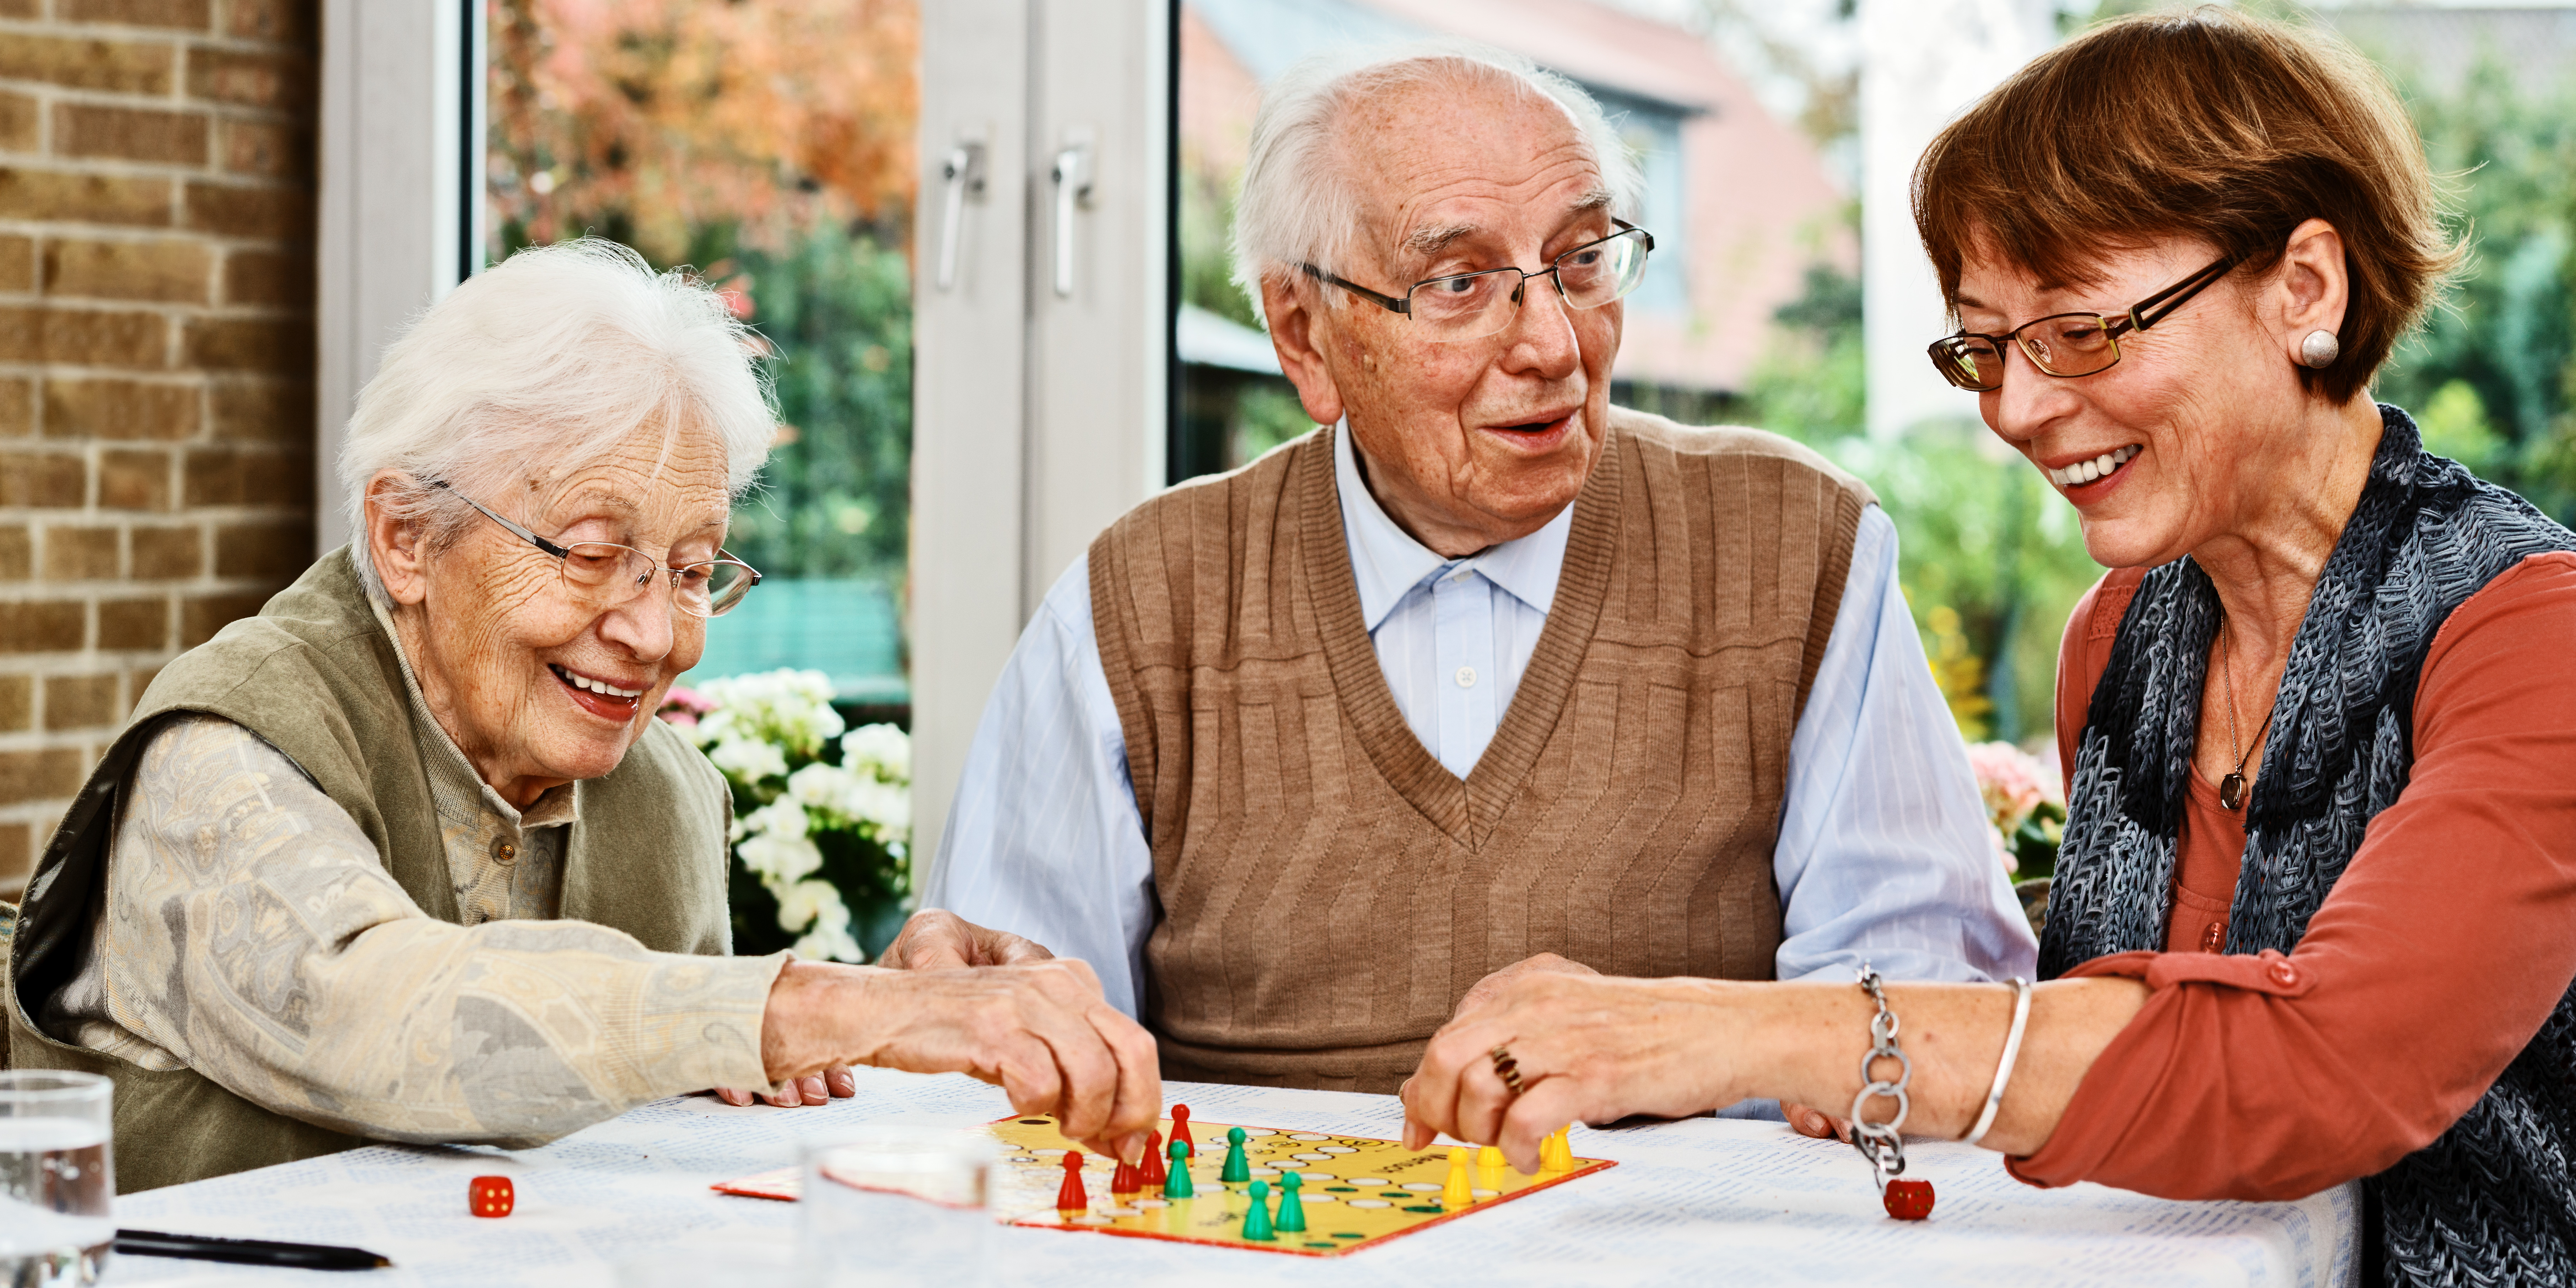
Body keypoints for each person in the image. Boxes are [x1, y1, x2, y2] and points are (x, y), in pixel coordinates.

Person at [1394, 11, 2576, 1282]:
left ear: (2303, 288)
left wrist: (1751, 1032)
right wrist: (1875, 1062)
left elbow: (2324, 1064)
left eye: (2076, 332)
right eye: (1984, 348)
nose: (2015, 407)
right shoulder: (2118, 639)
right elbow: (2135, 1061)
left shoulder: (2532, 631)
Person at [905, 42, 2033, 1096]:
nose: (1551, 343)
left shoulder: (1798, 544)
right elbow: (1012, 1032)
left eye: (1582, 261)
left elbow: (1926, 1004)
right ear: (1304, 335)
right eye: (1456, 282)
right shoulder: (1140, 600)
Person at [1, 241, 1159, 1191]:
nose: (654, 633)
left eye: (694, 570)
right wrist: (818, 1006)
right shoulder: (227, 750)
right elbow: (379, 1009)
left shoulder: (659, 792)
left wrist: (883, 1000)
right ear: (408, 537)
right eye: (597, 555)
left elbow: (691, 1084)